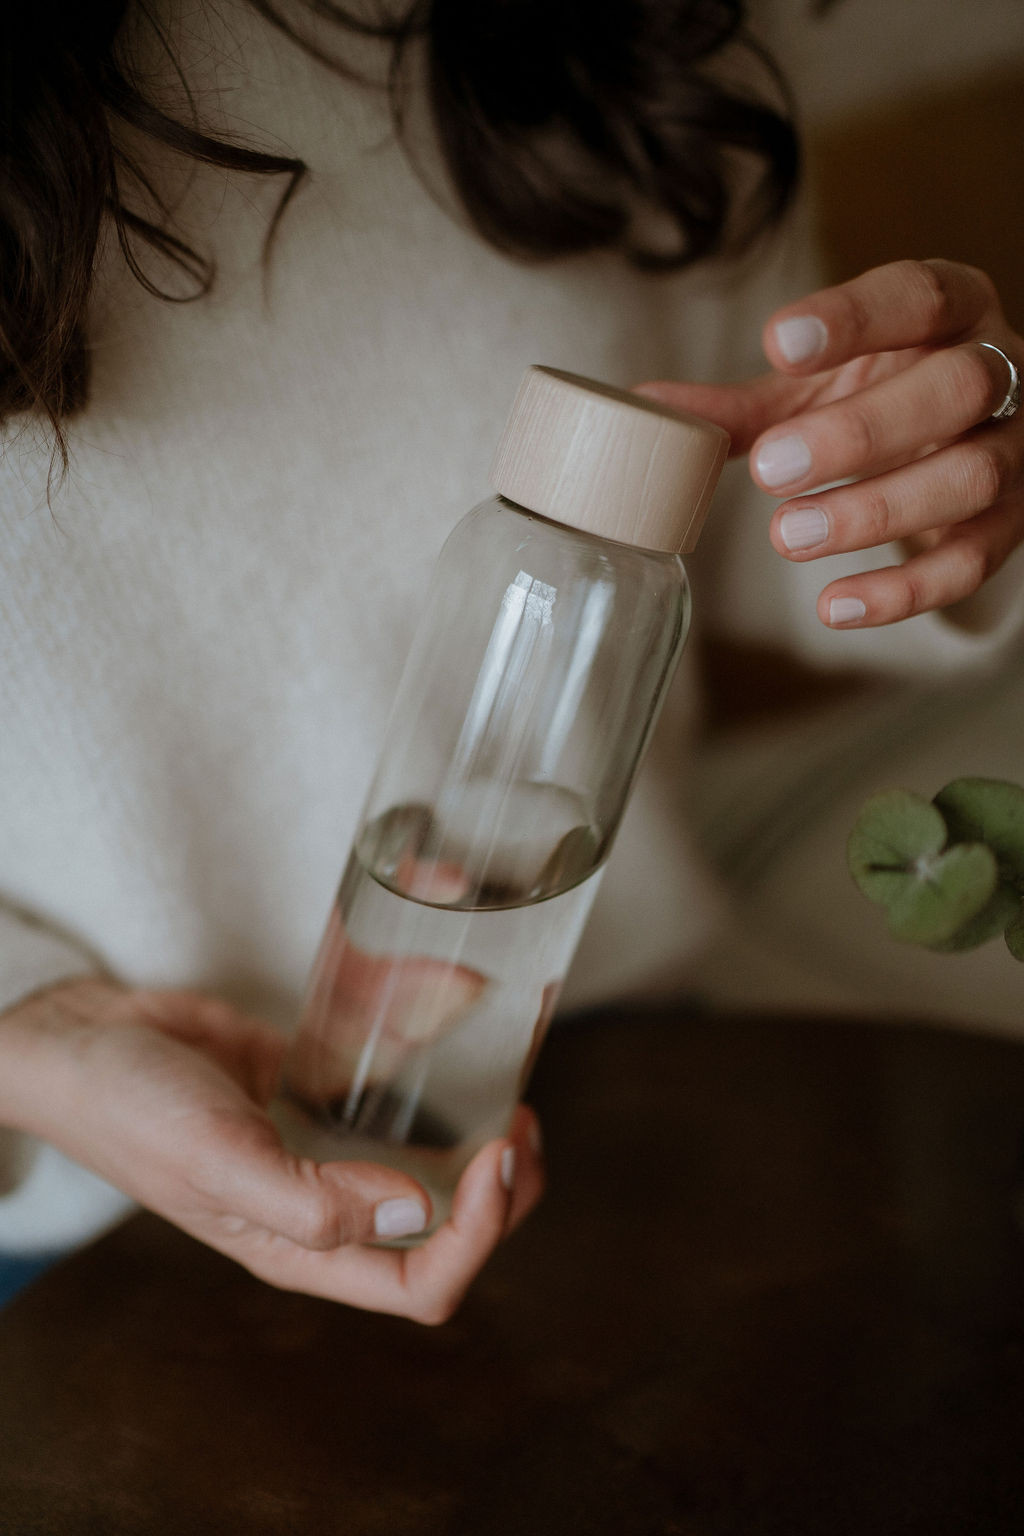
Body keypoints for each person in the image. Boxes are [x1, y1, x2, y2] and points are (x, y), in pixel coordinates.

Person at [1, 0, 1021, 1321]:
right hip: (77, 1197)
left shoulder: (628, 37)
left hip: (622, 1085)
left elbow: (757, 520)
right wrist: (36, 1037)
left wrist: (931, 483)